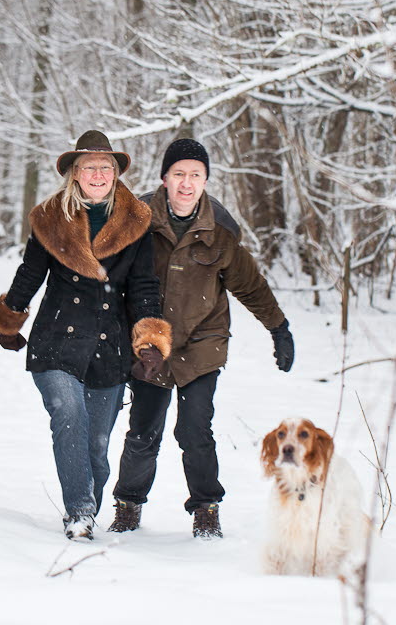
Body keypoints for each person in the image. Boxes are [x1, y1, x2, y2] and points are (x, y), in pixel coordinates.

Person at [108, 138, 294, 539]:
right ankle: (128, 503)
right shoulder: (136, 218)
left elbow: (249, 284)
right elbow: (112, 277)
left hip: (202, 342)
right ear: (164, 178)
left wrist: (278, 328)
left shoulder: (220, 231)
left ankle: (206, 508)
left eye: (195, 175)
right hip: (150, 344)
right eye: (179, 174)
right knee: (143, 430)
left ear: (206, 180)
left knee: (195, 429)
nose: (186, 183)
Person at [0, 130, 172, 541]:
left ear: (115, 173)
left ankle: (87, 500)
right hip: (56, 339)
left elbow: (144, 286)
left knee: (97, 449)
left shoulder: (137, 220)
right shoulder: (50, 218)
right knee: (68, 414)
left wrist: (149, 340)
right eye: (88, 167)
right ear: (74, 173)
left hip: (109, 345)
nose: (97, 174)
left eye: (105, 167)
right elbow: (30, 274)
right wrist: (9, 319)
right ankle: (80, 513)